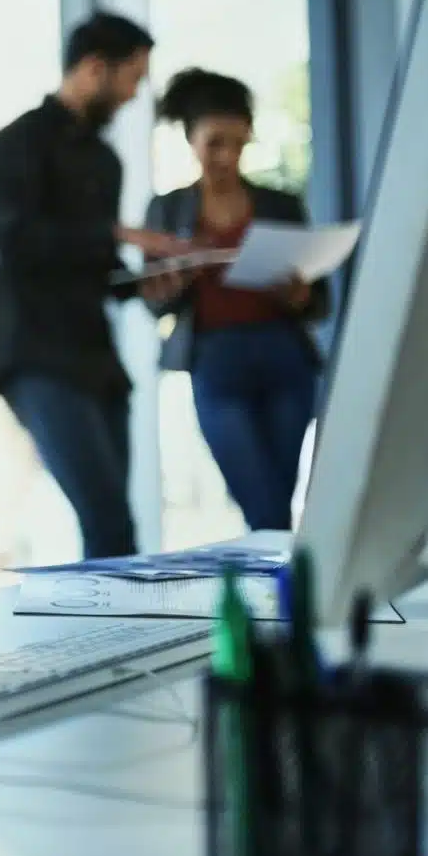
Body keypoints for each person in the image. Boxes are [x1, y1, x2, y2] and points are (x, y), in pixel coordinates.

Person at [0, 12, 190, 559]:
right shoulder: (15, 145)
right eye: (132, 78)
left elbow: (94, 271)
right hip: (35, 357)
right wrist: (115, 231)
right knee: (108, 518)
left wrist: (145, 284)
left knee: (117, 529)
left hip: (96, 357)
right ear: (95, 68)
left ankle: (119, 641)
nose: (135, 93)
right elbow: (13, 246)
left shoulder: (105, 160)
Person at [143, 68, 329, 531]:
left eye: (239, 144)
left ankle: (281, 595)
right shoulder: (166, 210)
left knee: (279, 501)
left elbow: (320, 302)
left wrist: (300, 294)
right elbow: (154, 304)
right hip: (215, 361)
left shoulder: (280, 205)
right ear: (192, 140)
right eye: (215, 143)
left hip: (285, 358)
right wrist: (177, 281)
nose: (227, 156)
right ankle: (287, 593)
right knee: (260, 502)